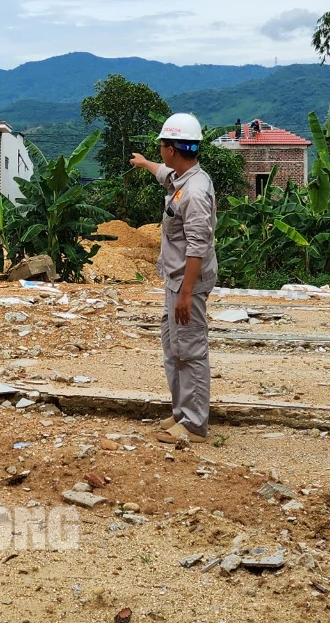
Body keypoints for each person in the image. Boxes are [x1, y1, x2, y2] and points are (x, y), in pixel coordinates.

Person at [129, 113, 217, 445]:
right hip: (176, 280)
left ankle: (194, 424)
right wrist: (144, 163)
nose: (160, 152)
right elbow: (165, 175)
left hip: (186, 283)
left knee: (190, 349)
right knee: (174, 347)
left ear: (172, 149)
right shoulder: (185, 177)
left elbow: (197, 246)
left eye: (161, 146)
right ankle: (182, 412)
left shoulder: (193, 192)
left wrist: (185, 293)